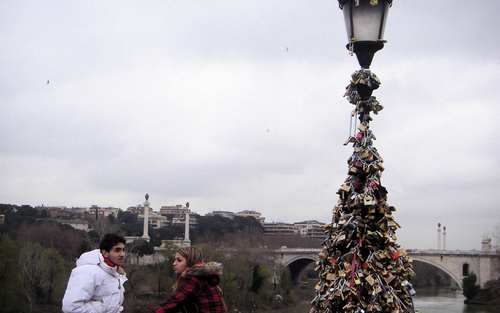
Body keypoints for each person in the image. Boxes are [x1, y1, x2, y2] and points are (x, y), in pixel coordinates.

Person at [62, 233, 128, 313]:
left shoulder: (114, 272)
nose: (122, 254)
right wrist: (105, 307)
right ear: (105, 253)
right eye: (117, 250)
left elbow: (115, 304)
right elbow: (71, 308)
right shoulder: (88, 271)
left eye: (123, 250)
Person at [155, 247, 227, 313]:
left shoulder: (194, 277)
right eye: (175, 260)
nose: (174, 263)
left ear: (190, 262)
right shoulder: (203, 275)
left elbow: (175, 302)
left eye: (179, 260)